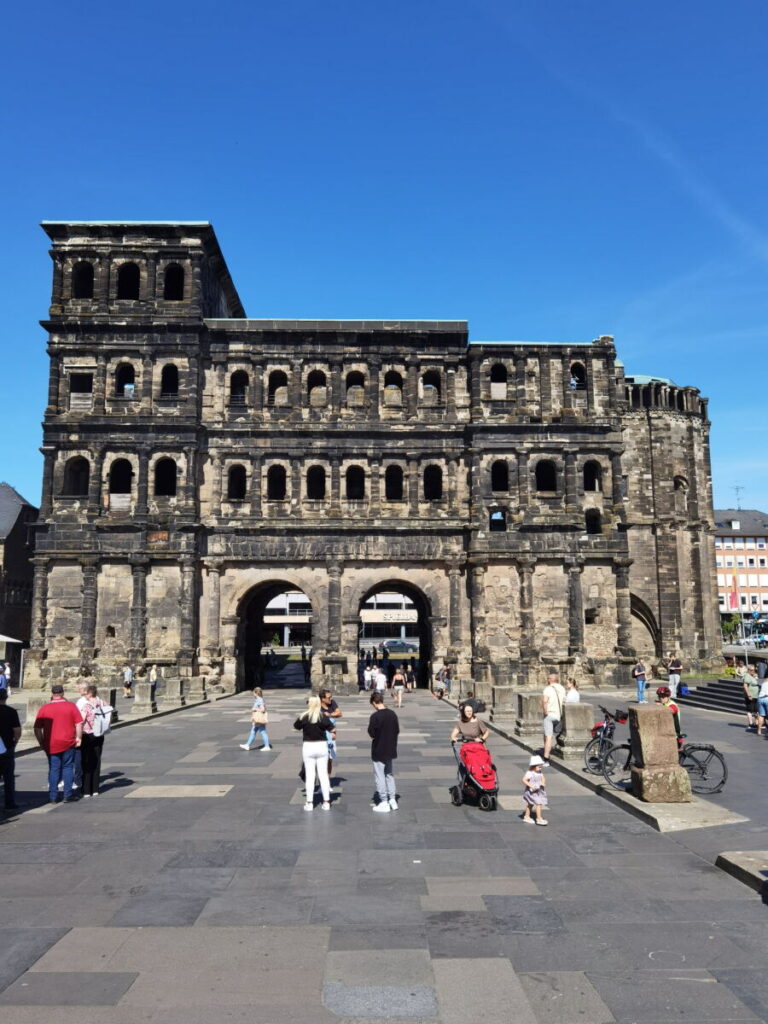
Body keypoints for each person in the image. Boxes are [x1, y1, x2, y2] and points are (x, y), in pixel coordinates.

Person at [33, 684, 83, 803]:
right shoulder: (71, 706)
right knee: (68, 767)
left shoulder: (44, 708)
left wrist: (41, 741)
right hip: (68, 742)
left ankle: (53, 796)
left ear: (52, 694)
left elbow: (37, 728)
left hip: (51, 743)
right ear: (63, 693)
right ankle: (67, 794)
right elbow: (79, 724)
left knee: (54, 769)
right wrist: (79, 737)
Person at [294, 695, 335, 811]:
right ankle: (326, 802)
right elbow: (332, 729)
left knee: (310, 775)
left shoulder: (304, 716)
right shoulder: (322, 716)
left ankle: (309, 802)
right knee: (323, 775)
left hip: (308, 746)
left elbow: (296, 726)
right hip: (321, 746)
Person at [368, 690, 399, 812]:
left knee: (380, 776)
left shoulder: (375, 716)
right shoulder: (392, 714)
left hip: (379, 749)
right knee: (389, 775)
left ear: (375, 703)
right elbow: (397, 730)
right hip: (390, 749)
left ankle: (384, 801)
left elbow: (372, 734)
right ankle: (392, 799)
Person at [79, 684, 108, 797]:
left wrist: (78, 736)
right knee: (97, 760)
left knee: (86, 761)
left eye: (86, 693)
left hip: (88, 735)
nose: (84, 695)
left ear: (90, 693)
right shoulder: (102, 703)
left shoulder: (87, 706)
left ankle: (86, 790)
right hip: (99, 734)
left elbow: (81, 721)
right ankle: (95, 789)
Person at [0, 688, 22, 810]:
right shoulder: (11, 711)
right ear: (5, 698)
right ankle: (10, 802)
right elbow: (17, 731)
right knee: (8, 776)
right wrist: (15, 741)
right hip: (7, 746)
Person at [540, 671, 565, 765]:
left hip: (550, 715)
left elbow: (545, 701)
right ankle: (548, 749)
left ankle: (546, 758)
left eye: (548, 678)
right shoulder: (562, 688)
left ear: (551, 680)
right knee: (546, 734)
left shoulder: (548, 689)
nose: (547, 680)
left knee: (549, 736)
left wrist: (545, 711)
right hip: (558, 715)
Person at [320, 688, 343, 777]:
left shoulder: (332, 702)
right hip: (321, 737)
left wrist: (329, 714)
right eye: (329, 697)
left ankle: (327, 780)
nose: (331, 699)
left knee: (330, 760)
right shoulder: (318, 706)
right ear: (322, 699)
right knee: (322, 760)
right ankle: (322, 781)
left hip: (331, 737)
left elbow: (340, 713)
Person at [521, 754, 548, 825]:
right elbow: (524, 780)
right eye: (539, 767)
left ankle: (526, 816)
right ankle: (538, 818)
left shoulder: (539, 772)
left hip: (538, 790)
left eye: (541, 767)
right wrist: (531, 785)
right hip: (532, 791)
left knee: (531, 804)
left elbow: (543, 778)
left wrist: (543, 782)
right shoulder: (530, 773)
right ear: (533, 766)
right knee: (538, 804)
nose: (540, 768)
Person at [743, 666, 760, 731]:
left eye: (754, 670)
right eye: (752, 670)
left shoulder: (752, 676)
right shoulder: (747, 676)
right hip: (750, 696)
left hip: (755, 696)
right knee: (750, 710)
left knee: (756, 710)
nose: (753, 671)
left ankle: (756, 723)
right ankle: (750, 724)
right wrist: (749, 695)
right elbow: (745, 686)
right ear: (748, 670)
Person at [756, 672, 768, 738]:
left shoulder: (763, 682)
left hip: (760, 698)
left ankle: (759, 731)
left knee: (761, 715)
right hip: (767, 698)